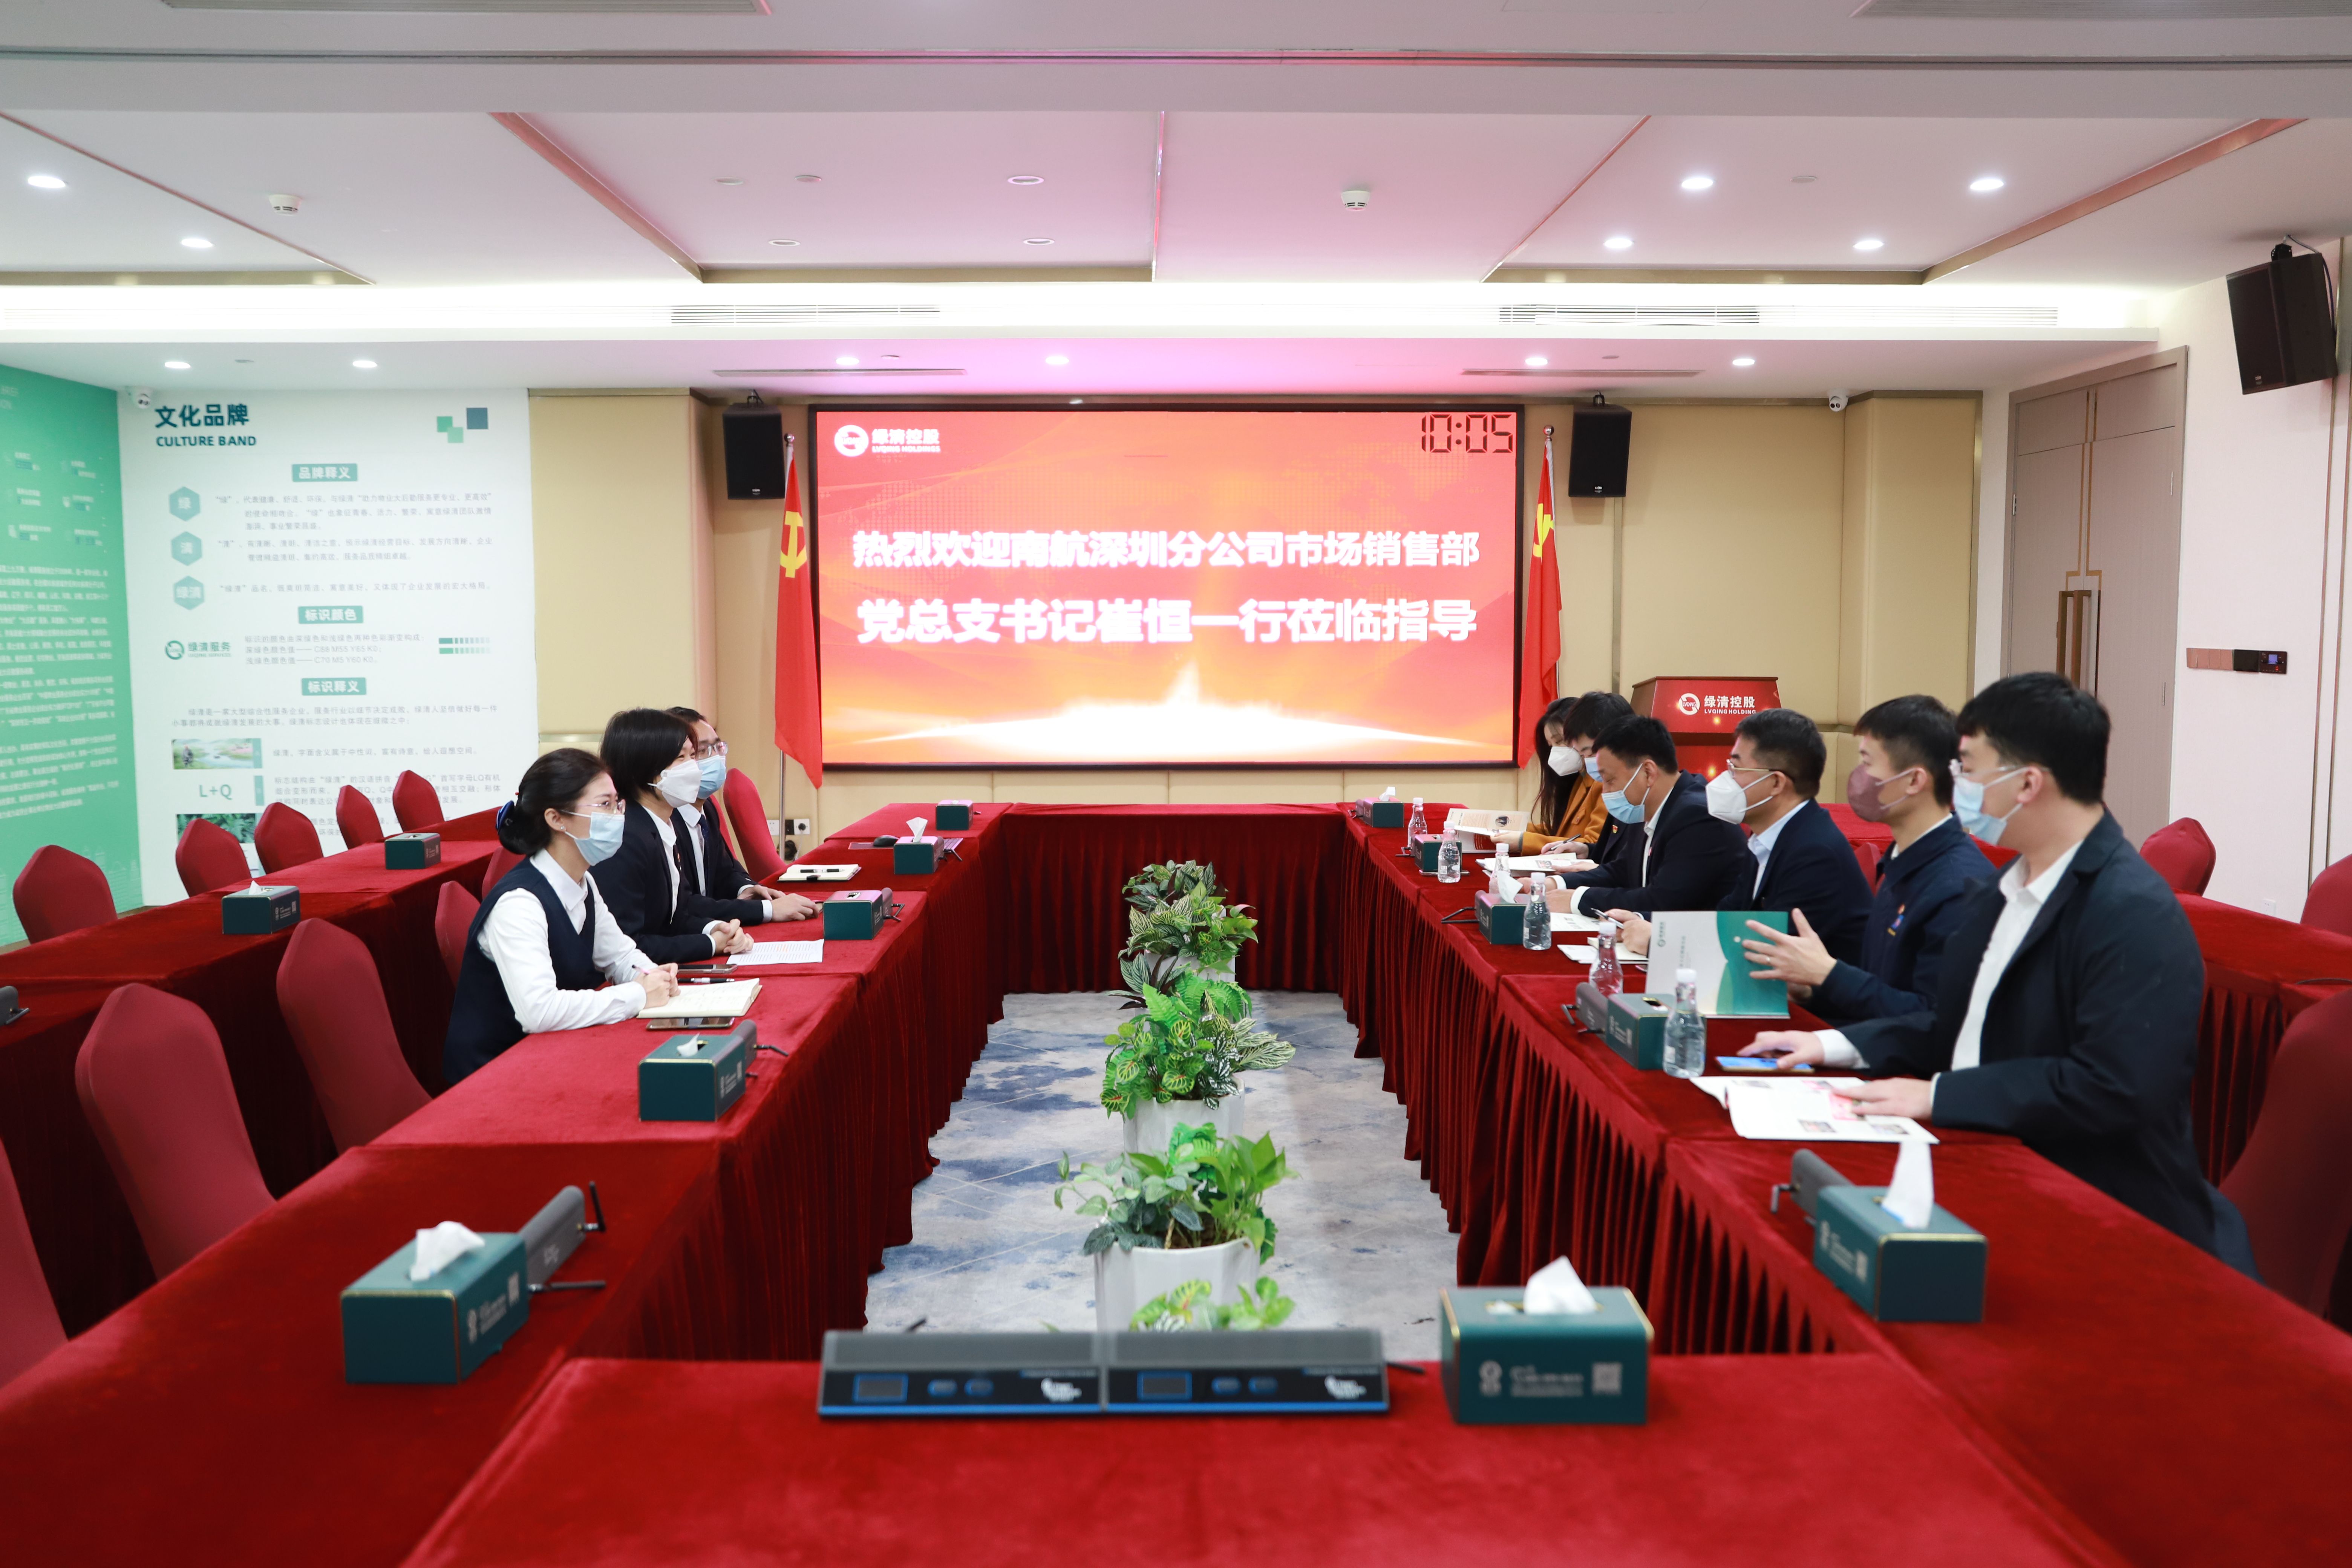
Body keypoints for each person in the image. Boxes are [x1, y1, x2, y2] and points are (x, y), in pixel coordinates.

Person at [1739, 673, 2255, 1270]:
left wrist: (1939, 1094)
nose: (1956, 785)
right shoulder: (2002, 889)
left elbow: (2112, 1088)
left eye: (1969, 769)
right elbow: (1955, 1026)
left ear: (2028, 784)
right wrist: (1831, 1045)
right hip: (1988, 1155)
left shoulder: (2131, 912)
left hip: (2102, 1211)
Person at [1740, 695, 1993, 1024]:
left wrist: (1829, 974)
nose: (1858, 777)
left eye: (1867, 763)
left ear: (1914, 780)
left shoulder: (1957, 887)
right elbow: (1880, 990)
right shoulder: (1902, 863)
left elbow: (1934, 1022)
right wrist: (1814, 991)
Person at [443, 748, 680, 1085]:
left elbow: (620, 956)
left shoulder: (583, 882)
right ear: (557, 819)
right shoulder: (519, 904)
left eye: (618, 804)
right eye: (604, 805)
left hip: (555, 1054)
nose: (617, 817)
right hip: (495, 1076)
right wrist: (638, 995)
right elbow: (539, 1012)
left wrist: (653, 976)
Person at [1608, 707, 1871, 963]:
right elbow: (1729, 918)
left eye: (1736, 769)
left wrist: (1661, 941)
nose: (1727, 779)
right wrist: (1644, 921)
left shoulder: (1814, 853)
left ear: (1776, 783)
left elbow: (1768, 953)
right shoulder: (1768, 840)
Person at [593, 707, 763, 965]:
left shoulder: (661, 825)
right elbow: (628, 945)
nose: (694, 768)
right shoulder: (626, 838)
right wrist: (710, 944)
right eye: (680, 758)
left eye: (693, 756)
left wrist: (717, 930)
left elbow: (677, 915)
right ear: (644, 768)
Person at [1553, 713, 1750, 918]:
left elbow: (1662, 901)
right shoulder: (1647, 807)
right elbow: (1622, 871)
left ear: (1648, 772)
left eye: (1610, 780)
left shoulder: (1698, 817)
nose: (1606, 792)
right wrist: (1557, 883)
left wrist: (1578, 900)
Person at [665, 706, 815, 923]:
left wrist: (748, 889)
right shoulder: (667, 821)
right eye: (702, 751)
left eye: (718, 747)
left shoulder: (707, 808)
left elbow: (727, 871)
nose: (716, 758)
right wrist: (766, 911)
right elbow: (685, 905)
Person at [1523, 689, 1633, 858]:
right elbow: (1563, 831)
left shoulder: (1606, 782)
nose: (1556, 752)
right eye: (1551, 746)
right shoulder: (1581, 779)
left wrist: (1522, 841)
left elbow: (1596, 843)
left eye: (1560, 741)